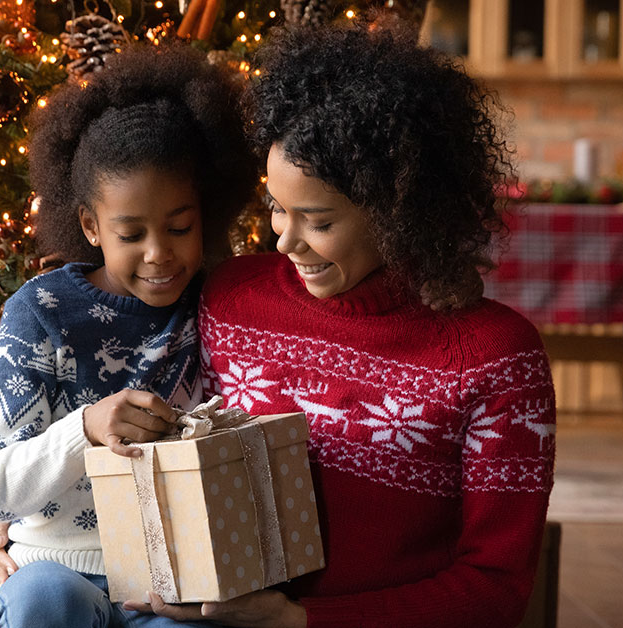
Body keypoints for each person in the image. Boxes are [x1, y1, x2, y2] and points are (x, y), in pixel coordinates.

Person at [123, 23, 557, 628]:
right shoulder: (229, 297)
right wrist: (21, 521)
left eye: (318, 220)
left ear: (399, 210)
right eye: (277, 207)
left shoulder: (496, 357)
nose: (285, 239)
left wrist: (302, 622)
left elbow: (496, 589)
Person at [0, 42, 256, 628]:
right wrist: (85, 428)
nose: (159, 254)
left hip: (177, 579)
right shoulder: (41, 313)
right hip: (57, 572)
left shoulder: (222, 304)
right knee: (45, 602)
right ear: (90, 226)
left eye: (180, 227)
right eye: (131, 235)